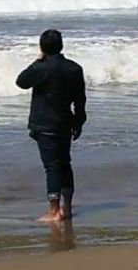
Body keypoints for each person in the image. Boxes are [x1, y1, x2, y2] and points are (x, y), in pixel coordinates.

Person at [15, 29, 86, 227]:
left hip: (45, 124)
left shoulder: (41, 68)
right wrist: (79, 122)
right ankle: (68, 208)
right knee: (65, 164)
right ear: (61, 46)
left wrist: (38, 61)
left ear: (42, 48)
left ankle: (54, 211)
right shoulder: (74, 68)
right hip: (65, 123)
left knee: (52, 167)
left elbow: (21, 81)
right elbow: (80, 100)